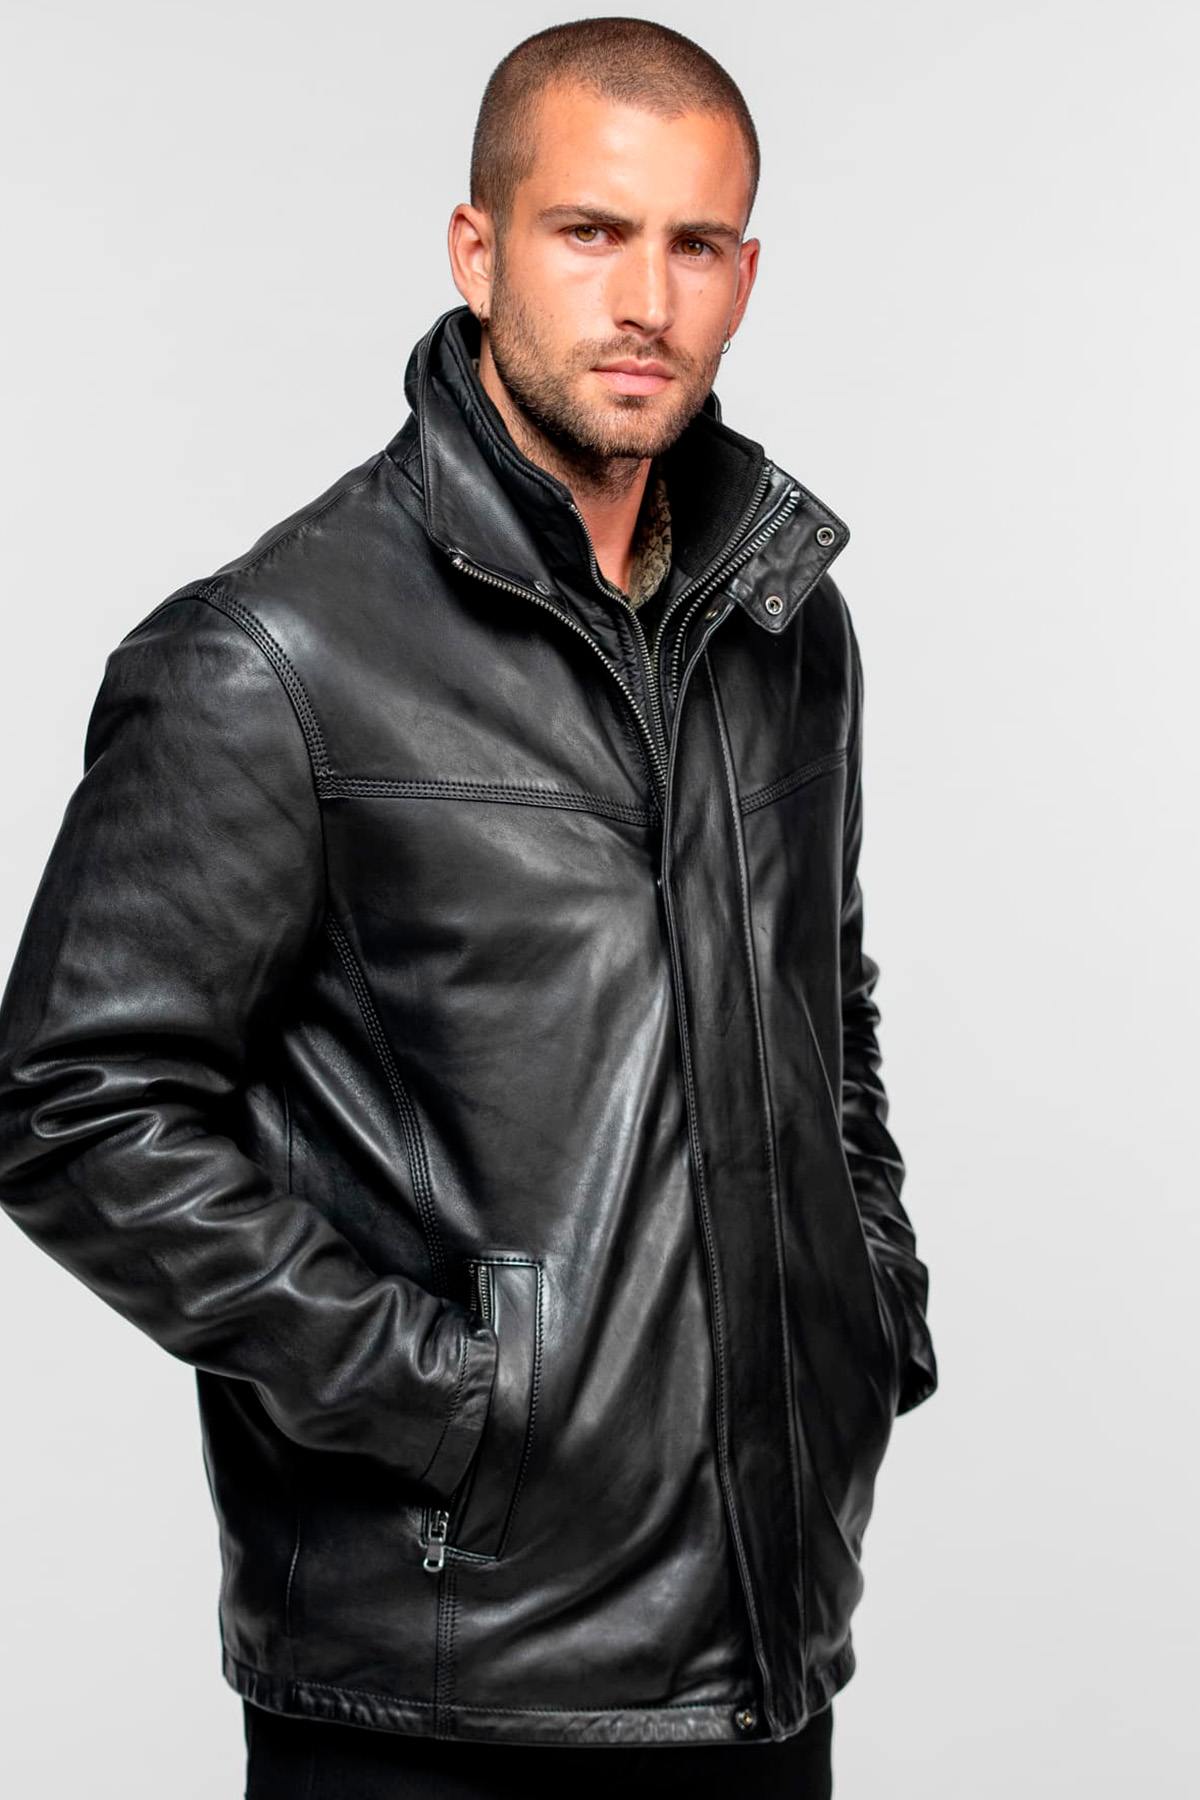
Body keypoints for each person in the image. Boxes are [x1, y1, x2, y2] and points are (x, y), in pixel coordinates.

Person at [0, 17, 938, 1799]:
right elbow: (71, 1106)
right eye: (592, 232)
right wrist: (445, 1399)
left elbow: (825, 1004)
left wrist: (861, 1297)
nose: (646, 300)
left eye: (695, 245)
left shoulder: (785, 622)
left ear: (746, 276)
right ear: (478, 248)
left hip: (765, 1647)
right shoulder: (276, 657)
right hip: (439, 1681)